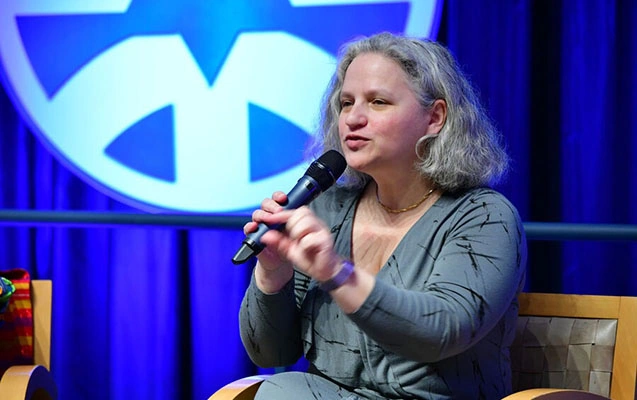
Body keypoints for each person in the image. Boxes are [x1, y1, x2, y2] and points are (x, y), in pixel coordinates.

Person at [238, 32, 527, 399]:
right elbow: (271, 353)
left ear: (435, 117)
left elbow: (441, 331)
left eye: (378, 102)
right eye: (346, 102)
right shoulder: (327, 208)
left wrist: (336, 273)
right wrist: (272, 274)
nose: (353, 118)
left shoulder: (484, 217)